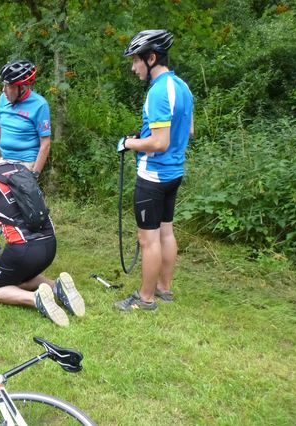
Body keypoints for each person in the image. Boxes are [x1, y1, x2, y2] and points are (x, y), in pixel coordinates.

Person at [0, 132, 85, 327]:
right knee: (15, 278)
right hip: (49, 243)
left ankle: (36, 299)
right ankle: (56, 287)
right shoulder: (20, 169)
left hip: (24, 249)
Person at [114, 29, 194, 311]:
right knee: (166, 232)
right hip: (174, 172)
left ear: (151, 58)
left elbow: (159, 142)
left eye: (135, 61)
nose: (133, 68)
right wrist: (146, 135)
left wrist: (130, 142)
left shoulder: (157, 92)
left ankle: (145, 298)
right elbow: (188, 130)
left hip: (153, 175)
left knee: (148, 239)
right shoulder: (181, 86)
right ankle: (164, 288)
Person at [0, 59, 52, 259]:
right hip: (2, 159)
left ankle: (28, 246)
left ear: (21, 87)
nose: (4, 89)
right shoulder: (3, 99)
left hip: (25, 162)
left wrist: (34, 174)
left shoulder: (39, 105)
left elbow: (45, 144)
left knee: (23, 208)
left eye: (8, 85)